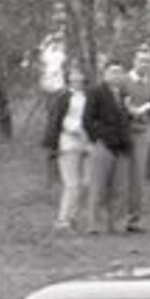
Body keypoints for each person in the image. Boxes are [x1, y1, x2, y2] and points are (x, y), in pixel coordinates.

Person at [81, 60, 133, 234]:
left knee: (120, 189)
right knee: (98, 188)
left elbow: (127, 120)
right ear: (105, 74)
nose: (116, 75)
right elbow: (87, 120)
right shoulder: (96, 92)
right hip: (103, 145)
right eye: (113, 72)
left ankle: (117, 225)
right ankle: (94, 225)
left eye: (119, 72)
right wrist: (99, 138)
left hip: (123, 146)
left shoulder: (124, 93)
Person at [42, 65, 90, 231]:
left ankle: (73, 217)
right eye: (73, 74)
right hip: (68, 142)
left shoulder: (87, 96)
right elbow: (58, 120)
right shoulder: (63, 97)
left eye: (79, 74)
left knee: (86, 183)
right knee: (72, 183)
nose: (76, 78)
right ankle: (63, 220)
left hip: (87, 143)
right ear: (68, 77)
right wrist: (76, 130)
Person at [121, 53, 150, 231]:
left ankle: (133, 220)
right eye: (141, 61)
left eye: (148, 62)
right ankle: (114, 218)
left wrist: (147, 126)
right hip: (120, 134)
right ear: (134, 62)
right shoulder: (122, 81)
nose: (144, 65)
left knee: (137, 178)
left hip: (141, 134)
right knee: (118, 175)